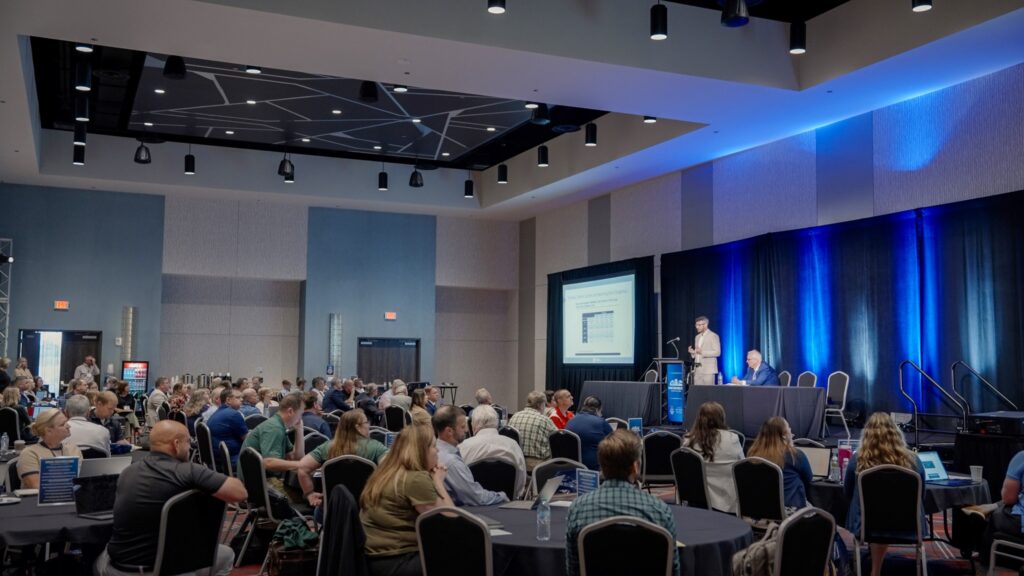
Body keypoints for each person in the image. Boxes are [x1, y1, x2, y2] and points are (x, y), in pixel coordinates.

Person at [95, 421, 247, 576]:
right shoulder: (186, 470)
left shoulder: (127, 471)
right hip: (157, 568)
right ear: (176, 444)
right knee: (226, 554)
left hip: (114, 566)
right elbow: (240, 493)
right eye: (188, 442)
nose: (190, 447)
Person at [566, 430, 680, 576]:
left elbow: (573, 570)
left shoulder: (578, 509)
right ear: (635, 467)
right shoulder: (660, 511)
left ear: (602, 466)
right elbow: (673, 570)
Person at [360, 424, 454, 576]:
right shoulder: (415, 478)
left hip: (376, 557)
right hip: (398, 560)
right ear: (420, 451)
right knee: (467, 555)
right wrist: (438, 481)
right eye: (433, 446)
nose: (437, 451)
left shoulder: (386, 472)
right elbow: (449, 519)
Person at [844, 412, 927, 576]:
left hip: (867, 526)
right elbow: (921, 496)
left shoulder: (857, 460)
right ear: (895, 432)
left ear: (867, 434)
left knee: (871, 516)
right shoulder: (914, 461)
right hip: (909, 527)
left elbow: (848, 492)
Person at [297, 408, 388, 507]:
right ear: (358, 427)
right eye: (366, 422)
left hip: (332, 512)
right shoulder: (376, 447)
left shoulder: (327, 447)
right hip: (366, 511)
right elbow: (391, 469)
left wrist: (309, 494)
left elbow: (302, 468)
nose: (368, 425)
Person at [431, 405, 508, 505]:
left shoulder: (437, 450)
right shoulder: (452, 462)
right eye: (462, 426)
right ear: (449, 431)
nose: (467, 430)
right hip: (461, 513)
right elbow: (477, 498)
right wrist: (502, 496)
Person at [239, 393, 305, 500]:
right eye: (301, 413)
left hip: (259, 482)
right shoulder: (274, 428)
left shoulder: (278, 424)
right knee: (306, 498)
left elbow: (296, 457)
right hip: (261, 486)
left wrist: (299, 430)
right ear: (290, 411)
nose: (301, 417)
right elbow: (269, 462)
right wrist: (301, 464)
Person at [683, 401, 744, 513]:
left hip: (696, 502)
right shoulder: (732, 439)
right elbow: (743, 468)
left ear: (699, 418)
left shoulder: (688, 441)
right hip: (728, 504)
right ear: (721, 418)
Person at [460, 405, 527, 498]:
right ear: (497, 423)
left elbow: (460, 482)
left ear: (473, 425)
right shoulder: (513, 445)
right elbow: (521, 483)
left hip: (472, 508)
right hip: (508, 506)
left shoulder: (463, 447)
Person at [747, 416, 811, 508]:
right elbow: (809, 478)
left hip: (760, 509)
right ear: (784, 435)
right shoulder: (794, 455)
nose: (790, 429)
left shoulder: (752, 454)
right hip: (790, 511)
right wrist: (790, 446)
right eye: (788, 427)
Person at [17, 408, 83, 488]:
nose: (68, 426)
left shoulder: (73, 449)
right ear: (48, 431)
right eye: (62, 424)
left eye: (67, 422)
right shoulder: (30, 454)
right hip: (37, 499)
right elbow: (36, 486)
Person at [508, 390, 558, 471]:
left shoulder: (514, 416)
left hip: (517, 462)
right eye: (544, 404)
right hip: (537, 465)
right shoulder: (544, 420)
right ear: (540, 405)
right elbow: (558, 438)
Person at [565, 396, 613, 470]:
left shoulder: (571, 420)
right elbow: (615, 441)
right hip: (593, 468)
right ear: (598, 409)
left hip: (571, 466)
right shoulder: (600, 422)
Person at [206, 388, 249, 468]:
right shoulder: (234, 414)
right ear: (228, 400)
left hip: (217, 458)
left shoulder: (218, 412)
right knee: (265, 460)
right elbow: (248, 440)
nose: (242, 399)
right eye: (238, 397)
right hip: (231, 459)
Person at [688, 315, 721, 386]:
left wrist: (702, 352)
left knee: (709, 393)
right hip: (697, 370)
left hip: (708, 370)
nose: (697, 327)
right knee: (698, 393)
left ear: (705, 324)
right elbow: (698, 353)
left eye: (699, 325)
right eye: (696, 325)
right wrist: (693, 353)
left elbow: (717, 352)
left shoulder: (713, 336)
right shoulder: (697, 337)